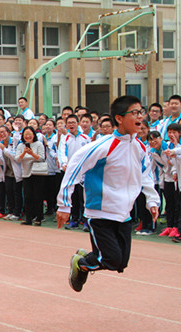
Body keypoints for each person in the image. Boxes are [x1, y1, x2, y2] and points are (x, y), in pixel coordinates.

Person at [58, 95, 160, 292]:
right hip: (101, 212)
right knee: (111, 260)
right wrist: (64, 204)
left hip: (124, 212)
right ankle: (80, 264)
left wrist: (152, 200)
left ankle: (90, 256)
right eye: (135, 113)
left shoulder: (139, 146)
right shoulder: (104, 145)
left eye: (141, 112)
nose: (140, 117)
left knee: (121, 263)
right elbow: (74, 167)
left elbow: (145, 175)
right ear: (120, 118)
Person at [17, 127, 46, 226]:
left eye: (30, 134)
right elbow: (17, 159)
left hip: (37, 173)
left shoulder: (39, 144)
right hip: (26, 173)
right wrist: (24, 152)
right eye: (26, 134)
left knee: (38, 196)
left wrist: (32, 154)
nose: (28, 136)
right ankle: (28, 218)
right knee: (27, 196)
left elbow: (42, 158)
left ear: (34, 135)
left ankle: (38, 217)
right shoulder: (21, 146)